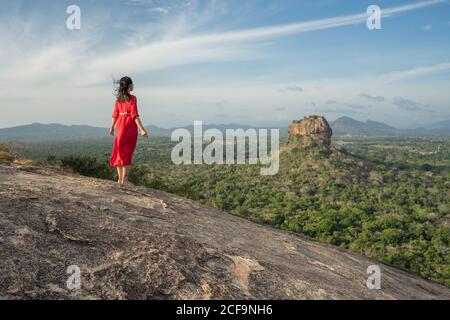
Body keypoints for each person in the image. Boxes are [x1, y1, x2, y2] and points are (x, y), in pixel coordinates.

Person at [109, 76, 148, 186]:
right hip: (129, 126)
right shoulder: (132, 99)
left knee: (119, 152)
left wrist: (112, 127)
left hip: (120, 126)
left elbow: (115, 114)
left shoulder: (118, 100)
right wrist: (142, 129)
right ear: (129, 85)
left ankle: (119, 180)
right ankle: (124, 180)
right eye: (132, 84)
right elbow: (134, 115)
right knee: (127, 152)